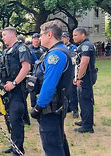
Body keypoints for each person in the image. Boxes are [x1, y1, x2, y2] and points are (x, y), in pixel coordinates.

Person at [0, 26, 31, 156]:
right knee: (10, 119)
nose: (2, 38)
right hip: (7, 91)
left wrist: (14, 83)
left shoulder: (21, 48)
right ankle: (15, 144)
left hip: (17, 90)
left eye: (4, 35)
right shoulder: (7, 51)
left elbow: (26, 67)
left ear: (12, 34)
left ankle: (18, 150)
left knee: (16, 119)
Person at [30, 21, 73, 156]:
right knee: (59, 142)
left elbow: (48, 86)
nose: (39, 38)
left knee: (52, 147)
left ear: (49, 34)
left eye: (41, 34)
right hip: (57, 105)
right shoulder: (60, 51)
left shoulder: (55, 55)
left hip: (50, 108)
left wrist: (38, 107)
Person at [73, 28, 97, 133]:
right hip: (83, 76)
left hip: (86, 77)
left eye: (75, 35)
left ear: (82, 35)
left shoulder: (86, 46)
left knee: (85, 100)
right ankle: (84, 120)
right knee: (81, 99)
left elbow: (84, 63)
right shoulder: (82, 45)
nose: (73, 37)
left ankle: (87, 126)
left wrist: (79, 77)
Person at [62, 32, 79, 118]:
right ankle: (67, 107)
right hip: (64, 72)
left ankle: (75, 110)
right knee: (65, 91)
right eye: (62, 37)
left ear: (68, 38)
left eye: (65, 37)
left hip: (71, 71)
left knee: (72, 92)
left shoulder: (73, 47)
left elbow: (73, 58)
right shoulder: (61, 47)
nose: (63, 39)